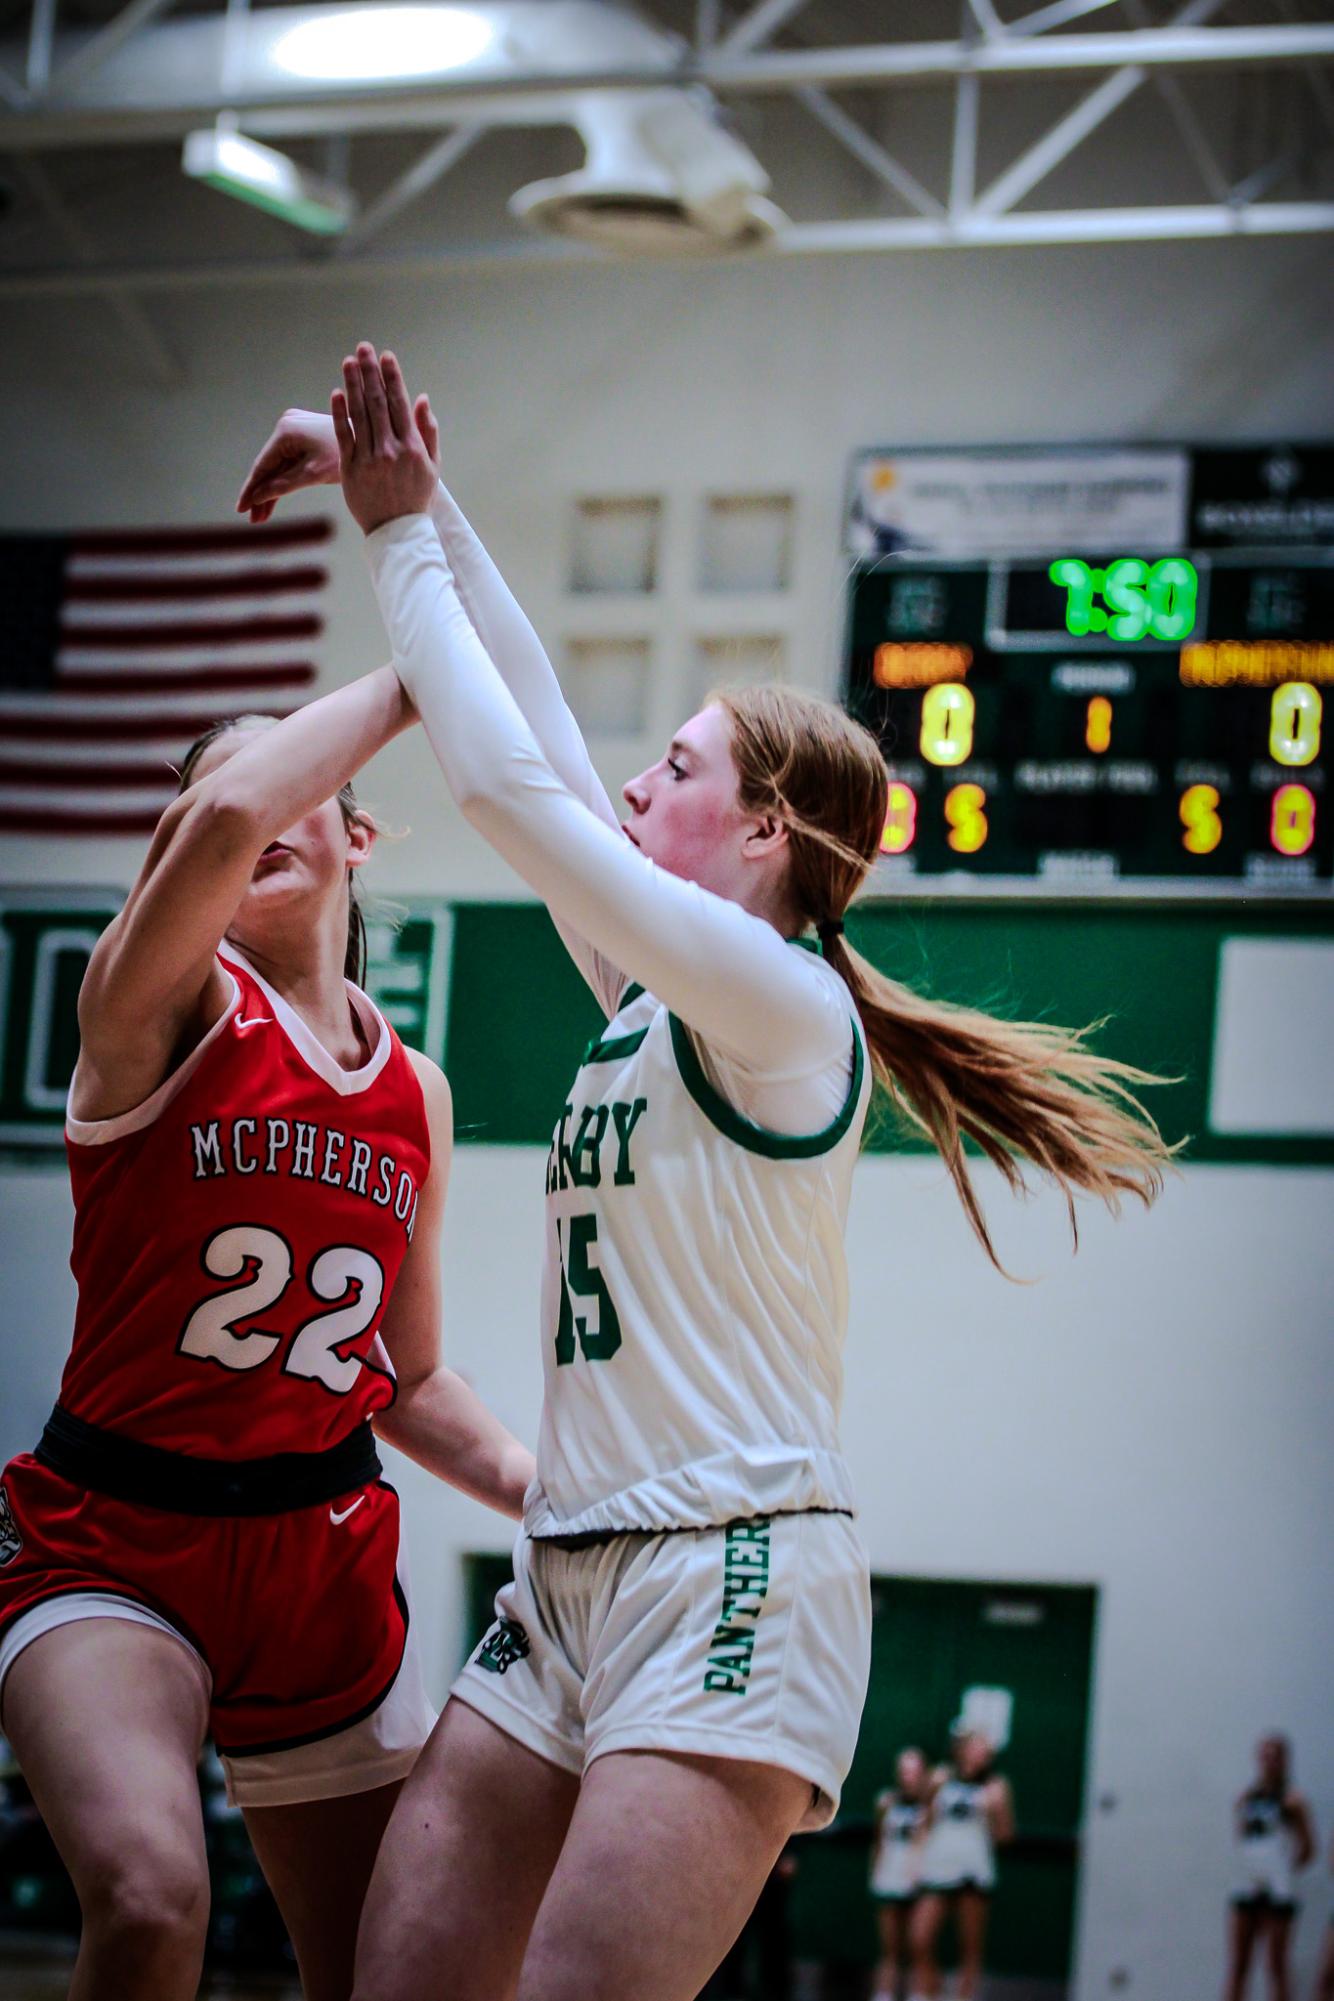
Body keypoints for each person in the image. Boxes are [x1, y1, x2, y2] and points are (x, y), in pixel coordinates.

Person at [241, 343, 1173, 2001]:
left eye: (671, 771)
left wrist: (392, 539)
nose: (629, 784)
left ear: (759, 838)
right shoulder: (649, 1003)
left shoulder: (782, 1004)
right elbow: (530, 717)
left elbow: (501, 783)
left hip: (731, 1567)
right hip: (572, 1568)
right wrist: (425, 492)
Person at [0, 669, 534, 2001]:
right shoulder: (152, 1010)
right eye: (212, 805)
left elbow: (404, 1380)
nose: (253, 804)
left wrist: (554, 1492)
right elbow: (237, 806)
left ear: (357, 833)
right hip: (115, 1536)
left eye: (303, 782)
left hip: (318, 1555)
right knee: (150, 1898)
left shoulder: (418, 1088)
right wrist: (428, 654)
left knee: (395, 1972)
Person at [909, 1730, 1014, 2000]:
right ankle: (927, 1991)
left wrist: (997, 1808)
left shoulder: (996, 1785)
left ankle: (963, 1995)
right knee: (920, 1937)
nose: (980, 1754)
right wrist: (916, 1861)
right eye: (975, 1747)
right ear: (962, 1749)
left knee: (970, 1944)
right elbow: (923, 1822)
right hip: (938, 1868)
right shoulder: (941, 1777)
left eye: (985, 1750)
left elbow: (1004, 1835)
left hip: (974, 1872)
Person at [1224, 1734, 1317, 2001]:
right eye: (1265, 1755)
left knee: (1276, 1965)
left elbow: (1308, 1848)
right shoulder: (1245, 1798)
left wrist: (1282, 1871)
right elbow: (1242, 1841)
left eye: (1275, 1756)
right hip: (1247, 1884)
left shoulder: (1294, 1800)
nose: (1269, 1762)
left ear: (1285, 1760)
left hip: (1278, 1890)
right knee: (1239, 1964)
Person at [869, 1747, 932, 1999]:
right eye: (904, 1771)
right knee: (889, 1948)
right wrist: (875, 1873)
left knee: (919, 1946)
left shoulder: (931, 1806)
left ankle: (920, 1994)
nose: (909, 1777)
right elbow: (878, 1841)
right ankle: (883, 1994)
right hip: (889, 1879)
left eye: (914, 1771)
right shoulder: (886, 1802)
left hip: (920, 1881)